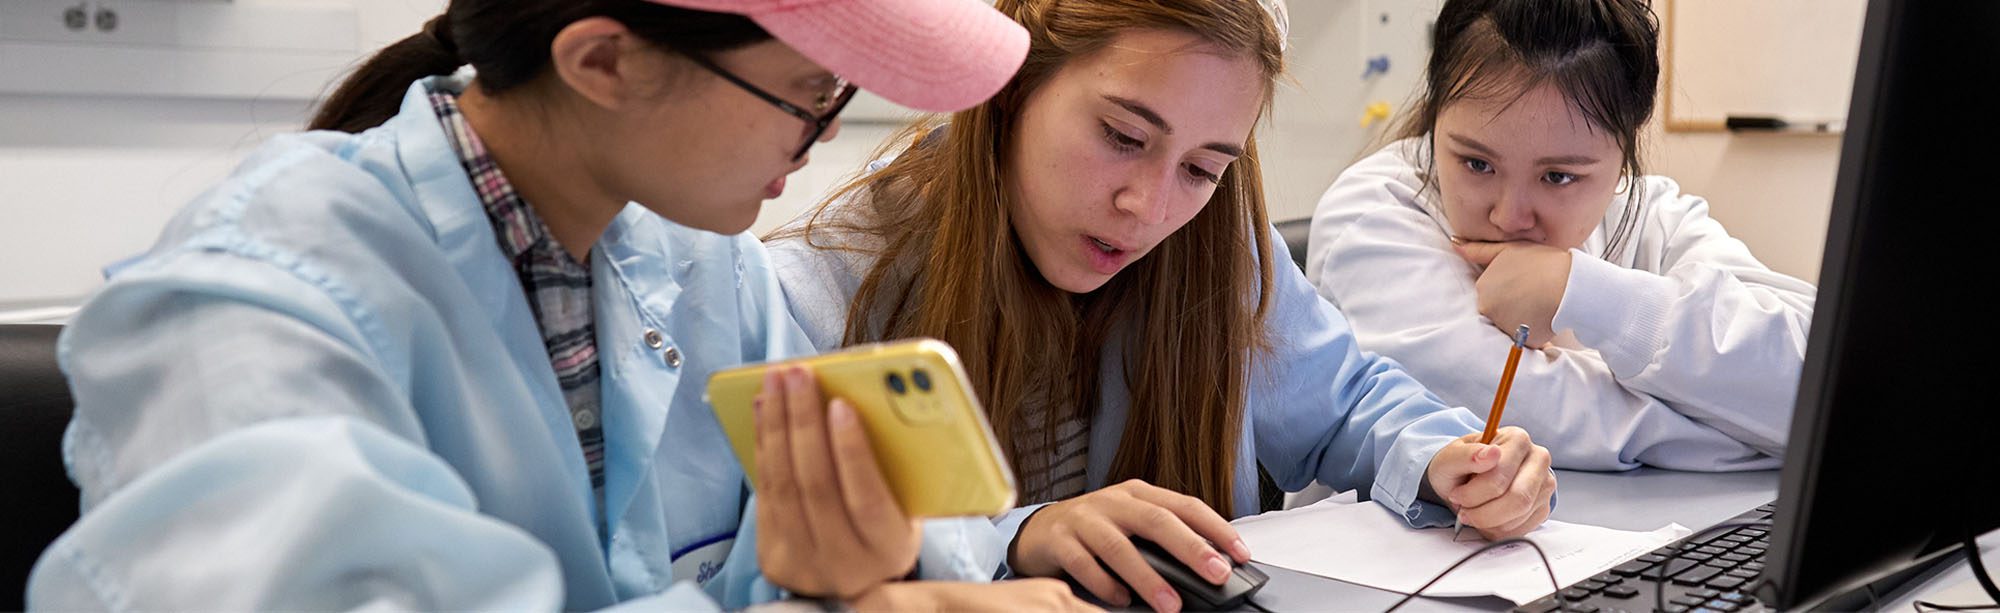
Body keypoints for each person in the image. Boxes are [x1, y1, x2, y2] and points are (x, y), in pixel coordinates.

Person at [27, 0, 1094, 610]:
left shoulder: (700, 257)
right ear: (603, 61)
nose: (816, 141)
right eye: (812, 94)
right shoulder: (252, 306)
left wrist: (923, 568)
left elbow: (844, 555)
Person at [766, 1, 1557, 611]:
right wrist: (1023, 533)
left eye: (1203, 168)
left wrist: (1455, 458)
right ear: (1012, 89)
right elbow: (792, 559)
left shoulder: (1216, 246)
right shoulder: (832, 282)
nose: (1147, 207)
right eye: (1122, 135)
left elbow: (1348, 401)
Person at [1304, 0, 1814, 472]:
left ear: (1622, 159)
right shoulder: (1372, 216)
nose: (1509, 216)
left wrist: (1591, 295)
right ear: (1436, 117)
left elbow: (1824, 379)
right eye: (1476, 163)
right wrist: (1753, 423)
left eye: (1558, 177)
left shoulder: (1644, 210)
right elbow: (1539, 427)